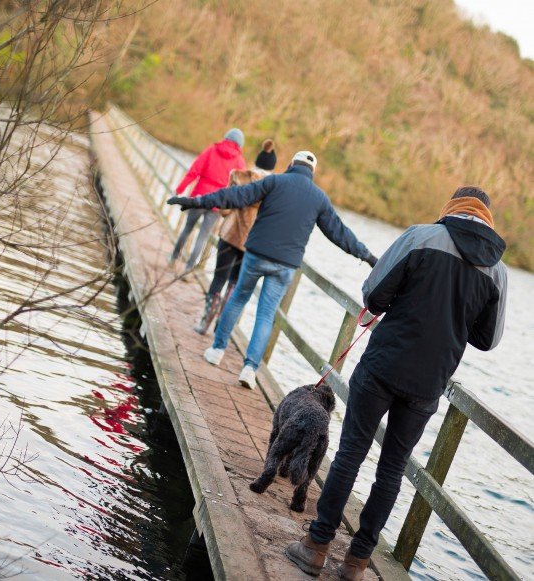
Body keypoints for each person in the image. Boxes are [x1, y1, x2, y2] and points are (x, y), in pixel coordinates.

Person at [285, 186, 507, 580]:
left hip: (383, 366)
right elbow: (487, 339)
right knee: (391, 470)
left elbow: (374, 293)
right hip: (428, 383)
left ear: (452, 207)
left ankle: (315, 547)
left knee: (351, 455)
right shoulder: (498, 270)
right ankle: (355, 565)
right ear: (487, 219)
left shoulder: (421, 236)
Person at [168, 151, 377, 389]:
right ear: (313, 172)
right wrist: (367, 256)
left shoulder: (274, 181)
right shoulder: (319, 198)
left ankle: (217, 350)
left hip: (256, 255)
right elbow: (339, 233)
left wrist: (196, 201)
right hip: (286, 264)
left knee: (238, 298)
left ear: (290, 164)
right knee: (266, 314)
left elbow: (236, 196)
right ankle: (250, 368)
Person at [194, 139, 277, 335]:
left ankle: (205, 322)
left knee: (218, 278)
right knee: (235, 285)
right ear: (273, 167)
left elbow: (224, 208)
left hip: (230, 234)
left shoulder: (239, 176)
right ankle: (220, 327)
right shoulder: (274, 187)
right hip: (252, 242)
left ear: (256, 161)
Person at [168, 128, 246, 273]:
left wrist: (179, 190)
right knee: (203, 236)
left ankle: (173, 258)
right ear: (240, 144)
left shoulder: (212, 150)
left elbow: (194, 171)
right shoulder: (240, 162)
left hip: (200, 197)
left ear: (226, 137)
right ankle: (188, 268)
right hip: (218, 202)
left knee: (187, 228)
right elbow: (240, 188)